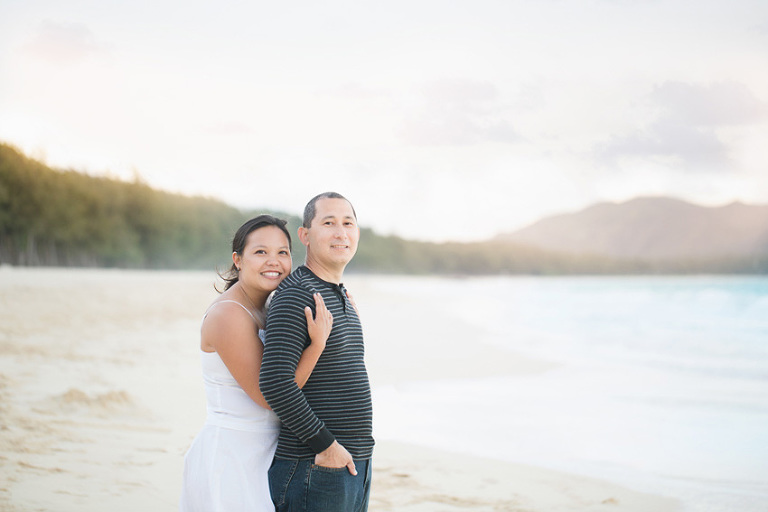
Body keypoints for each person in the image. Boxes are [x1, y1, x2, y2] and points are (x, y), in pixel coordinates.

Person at [179, 214, 333, 512]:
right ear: (238, 259)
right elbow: (268, 396)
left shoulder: (267, 307)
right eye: (261, 252)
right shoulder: (228, 314)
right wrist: (317, 345)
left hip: (265, 450)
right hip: (232, 455)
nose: (273, 261)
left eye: (282, 253)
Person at [260, 192, 374, 512]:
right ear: (305, 235)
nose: (341, 232)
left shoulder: (340, 295)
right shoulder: (297, 295)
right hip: (315, 464)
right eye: (328, 223)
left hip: (351, 462)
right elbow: (275, 383)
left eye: (348, 223)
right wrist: (327, 447)